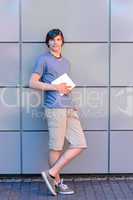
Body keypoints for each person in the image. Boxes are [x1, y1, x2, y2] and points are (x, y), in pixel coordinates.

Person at [29, 29, 88, 196]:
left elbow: (65, 87)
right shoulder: (43, 60)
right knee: (56, 147)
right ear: (47, 43)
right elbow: (32, 82)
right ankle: (57, 182)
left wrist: (73, 102)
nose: (55, 42)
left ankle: (51, 173)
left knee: (80, 143)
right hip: (54, 108)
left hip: (69, 107)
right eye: (52, 40)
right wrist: (55, 87)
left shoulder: (66, 63)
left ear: (62, 42)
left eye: (58, 39)